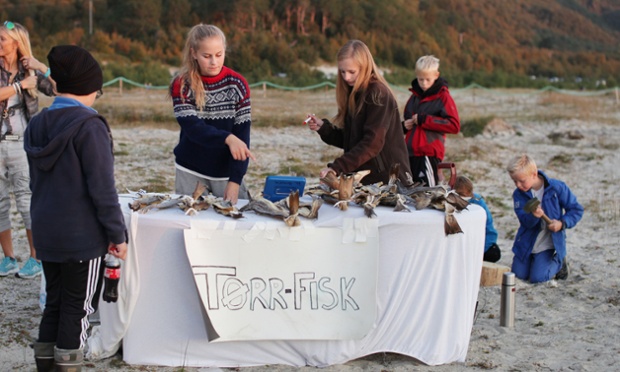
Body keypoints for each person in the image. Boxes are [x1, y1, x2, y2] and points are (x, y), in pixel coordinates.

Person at [23, 45, 127, 372]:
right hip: (81, 238)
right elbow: (103, 190)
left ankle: (45, 366)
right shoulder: (90, 126)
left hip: (46, 231)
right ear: (90, 88)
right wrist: (117, 234)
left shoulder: (37, 123)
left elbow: (36, 183)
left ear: (56, 85)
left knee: (53, 304)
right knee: (77, 309)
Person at [305, 39, 411, 185]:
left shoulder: (378, 94)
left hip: (389, 182)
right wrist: (324, 128)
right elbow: (352, 142)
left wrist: (337, 168)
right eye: (342, 71)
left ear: (365, 67)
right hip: (366, 182)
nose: (346, 77)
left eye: (351, 72)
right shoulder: (355, 94)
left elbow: (373, 143)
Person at [170, 24, 255, 205]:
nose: (214, 62)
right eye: (206, 56)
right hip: (190, 171)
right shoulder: (182, 84)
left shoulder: (238, 84)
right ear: (194, 53)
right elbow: (193, 129)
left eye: (219, 55)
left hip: (225, 174)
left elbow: (242, 136)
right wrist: (228, 138)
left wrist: (235, 180)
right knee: (190, 225)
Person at [0, 21, 54, 278]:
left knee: (25, 200)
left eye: (2, 39)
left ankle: (36, 258)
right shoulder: (19, 79)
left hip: (21, 142)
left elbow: (58, 88)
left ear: (16, 43)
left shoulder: (29, 71)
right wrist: (21, 86)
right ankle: (8, 257)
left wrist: (42, 67)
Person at [506, 154, 583, 284]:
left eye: (522, 180)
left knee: (538, 278)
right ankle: (532, 261)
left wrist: (562, 223)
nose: (518, 185)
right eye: (514, 181)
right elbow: (525, 221)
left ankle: (560, 264)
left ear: (534, 174)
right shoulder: (519, 195)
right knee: (519, 276)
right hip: (526, 242)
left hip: (547, 243)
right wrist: (533, 216)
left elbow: (576, 210)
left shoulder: (556, 188)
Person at [402, 55, 460, 186]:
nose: (424, 83)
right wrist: (403, 126)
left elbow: (454, 125)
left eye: (428, 79)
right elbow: (407, 119)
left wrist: (425, 120)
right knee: (409, 193)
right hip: (410, 153)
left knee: (428, 192)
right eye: (420, 79)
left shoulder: (443, 97)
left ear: (436, 75)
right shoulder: (413, 97)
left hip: (429, 153)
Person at [454, 175, 501, 262]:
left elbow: (490, 230)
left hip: (477, 242)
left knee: (494, 253)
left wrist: (480, 251)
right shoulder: (449, 201)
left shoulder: (478, 202)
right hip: (459, 242)